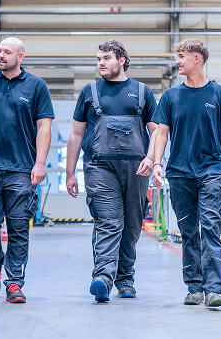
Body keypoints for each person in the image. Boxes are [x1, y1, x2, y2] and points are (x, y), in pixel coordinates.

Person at [66, 40, 157, 302]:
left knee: (132, 225)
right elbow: (76, 133)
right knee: (108, 221)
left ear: (122, 60)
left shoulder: (142, 92)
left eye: (106, 58)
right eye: (98, 59)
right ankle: (103, 279)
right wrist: (70, 172)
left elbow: (156, 131)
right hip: (100, 167)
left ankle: (125, 279)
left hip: (137, 169)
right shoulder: (90, 91)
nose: (101, 63)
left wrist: (152, 159)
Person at [152, 39, 221, 308]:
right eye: (177, 56)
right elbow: (161, 133)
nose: (177, 61)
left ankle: (213, 290)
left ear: (197, 58)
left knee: (210, 227)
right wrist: (157, 163)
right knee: (189, 231)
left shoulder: (220, 94)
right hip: (179, 173)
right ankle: (194, 288)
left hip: (212, 171)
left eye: (181, 56)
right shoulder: (170, 97)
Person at [0, 37, 54, 304]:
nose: (1, 56)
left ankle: (14, 282)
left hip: (22, 170)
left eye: (7, 52)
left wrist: (40, 163)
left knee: (18, 228)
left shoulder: (36, 86)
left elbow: (44, 127)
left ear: (21, 56)